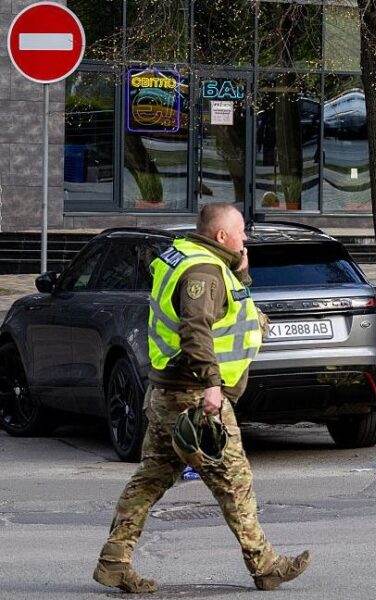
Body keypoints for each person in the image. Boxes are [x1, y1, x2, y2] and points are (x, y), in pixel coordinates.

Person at [93, 203, 311, 593]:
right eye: (241, 231)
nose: (246, 237)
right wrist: (212, 383)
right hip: (194, 396)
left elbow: (229, 309)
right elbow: (196, 328)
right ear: (221, 236)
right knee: (234, 482)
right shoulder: (203, 271)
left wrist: (241, 272)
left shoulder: (190, 257)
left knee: (149, 480)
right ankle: (265, 566)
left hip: (165, 392)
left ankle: (114, 561)